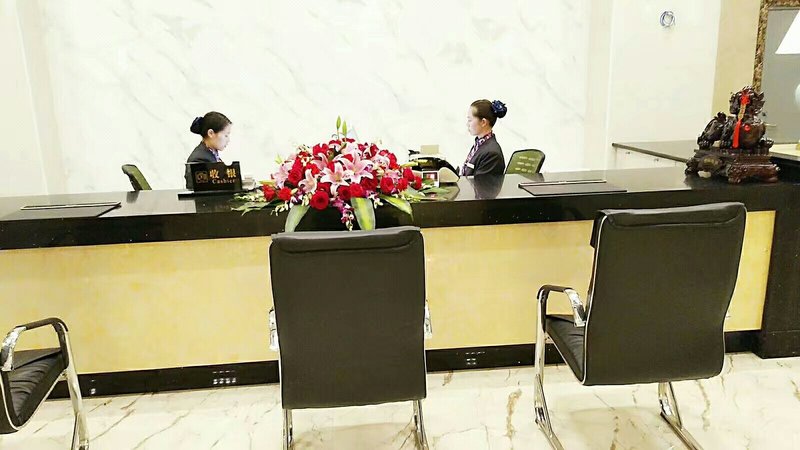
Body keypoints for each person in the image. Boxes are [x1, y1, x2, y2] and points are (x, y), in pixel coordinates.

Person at [185, 111, 232, 189]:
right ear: (211, 133)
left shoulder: (211, 153)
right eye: (226, 135)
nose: (228, 140)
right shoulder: (199, 159)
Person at [461, 99, 507, 176]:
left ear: (483, 122)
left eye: (470, 120)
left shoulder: (492, 154)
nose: (467, 124)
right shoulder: (479, 144)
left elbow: (479, 182)